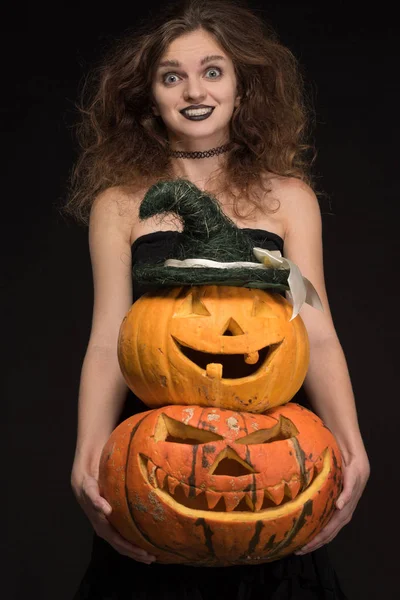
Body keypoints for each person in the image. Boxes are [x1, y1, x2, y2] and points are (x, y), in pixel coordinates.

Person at [65, 0, 370, 598]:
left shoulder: (288, 200)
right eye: (171, 76)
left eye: (212, 71)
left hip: (271, 440)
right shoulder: (122, 205)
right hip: (163, 443)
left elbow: (319, 329)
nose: (193, 90)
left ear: (241, 85)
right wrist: (87, 452)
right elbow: (107, 338)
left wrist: (353, 447)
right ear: (149, 95)